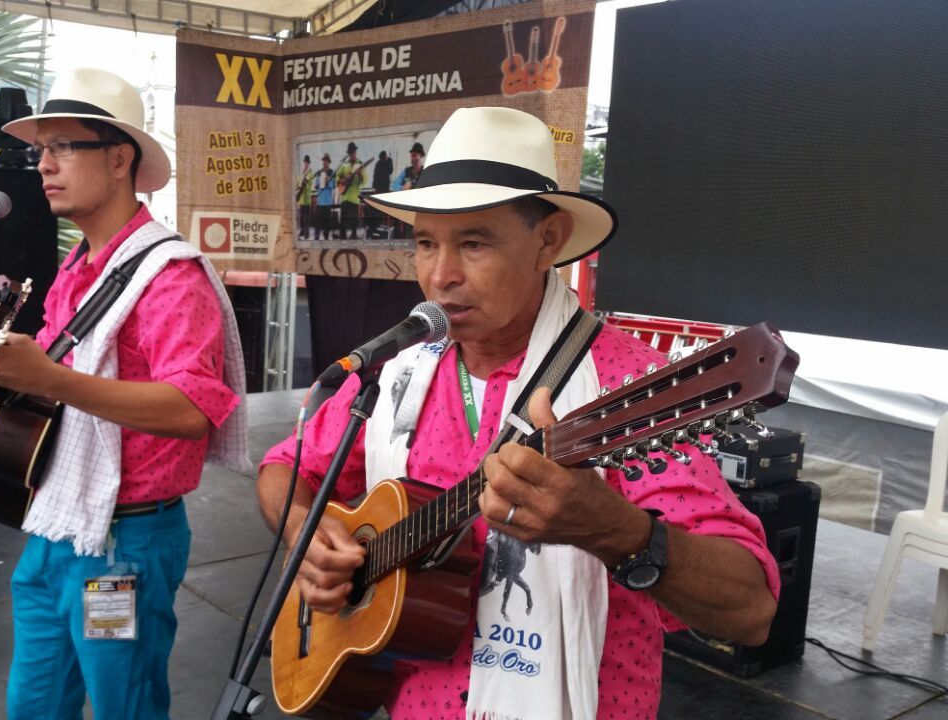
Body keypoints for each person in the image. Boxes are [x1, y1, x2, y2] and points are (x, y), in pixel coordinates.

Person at [256, 107, 780, 720]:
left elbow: (751, 610)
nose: (440, 277)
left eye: (473, 243)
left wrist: (614, 530)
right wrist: (305, 532)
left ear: (548, 241)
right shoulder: (398, 372)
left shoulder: (624, 386)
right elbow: (285, 469)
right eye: (426, 244)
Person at [0, 66, 248, 720]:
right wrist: (6, 401)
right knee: (33, 706)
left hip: (123, 549)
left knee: (126, 706)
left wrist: (49, 380)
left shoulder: (171, 278)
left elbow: (191, 410)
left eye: (63, 147)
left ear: (120, 158)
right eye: (41, 151)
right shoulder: (75, 267)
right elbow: (64, 395)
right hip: (58, 524)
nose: (43, 166)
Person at [335, 141, 367, 239]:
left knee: (354, 222)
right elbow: (336, 177)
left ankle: (353, 240)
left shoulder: (360, 165)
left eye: (353, 152)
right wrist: (342, 180)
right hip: (344, 197)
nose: (352, 154)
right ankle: (342, 239)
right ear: (348, 154)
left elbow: (365, 181)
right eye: (350, 153)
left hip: (354, 198)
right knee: (343, 222)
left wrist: (360, 174)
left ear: (355, 152)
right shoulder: (344, 166)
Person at [314, 153, 336, 240]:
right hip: (320, 201)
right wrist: (318, 184)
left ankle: (326, 238)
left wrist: (328, 180)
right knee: (318, 222)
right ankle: (316, 238)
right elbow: (316, 185)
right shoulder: (319, 172)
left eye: (326, 161)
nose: (324, 162)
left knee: (327, 223)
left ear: (329, 162)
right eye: (323, 161)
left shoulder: (332, 172)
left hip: (327, 201)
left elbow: (333, 185)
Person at [296, 154, 315, 239]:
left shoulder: (310, 173)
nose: (305, 164)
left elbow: (309, 184)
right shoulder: (302, 172)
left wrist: (305, 184)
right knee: (301, 216)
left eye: (307, 162)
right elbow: (297, 182)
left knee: (306, 217)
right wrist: (299, 185)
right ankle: (302, 231)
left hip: (306, 198)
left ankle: (306, 233)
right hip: (301, 198)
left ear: (309, 163)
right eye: (305, 162)